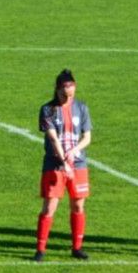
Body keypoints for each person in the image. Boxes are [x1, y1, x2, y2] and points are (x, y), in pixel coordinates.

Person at [34, 69, 92, 261]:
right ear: (57, 90)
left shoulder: (82, 108)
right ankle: (40, 249)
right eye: (64, 93)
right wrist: (63, 161)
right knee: (50, 206)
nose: (68, 97)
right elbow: (53, 138)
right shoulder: (47, 110)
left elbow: (87, 137)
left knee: (78, 205)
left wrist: (75, 151)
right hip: (55, 165)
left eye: (71, 92)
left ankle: (77, 247)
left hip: (79, 164)